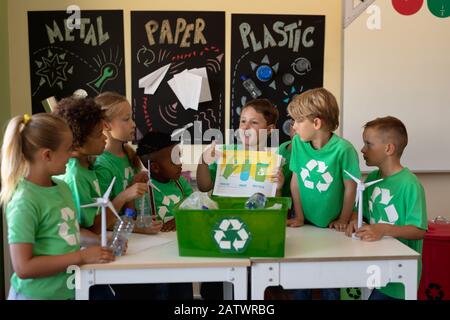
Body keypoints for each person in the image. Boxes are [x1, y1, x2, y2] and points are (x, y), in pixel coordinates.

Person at [1, 113, 114, 300]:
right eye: (68, 149)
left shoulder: (62, 188)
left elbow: (68, 232)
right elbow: (23, 267)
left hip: (67, 293)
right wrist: (81, 257)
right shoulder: (24, 202)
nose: (72, 155)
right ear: (47, 155)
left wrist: (100, 242)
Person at [287, 88, 360, 300]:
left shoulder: (344, 150)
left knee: (331, 283)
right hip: (307, 225)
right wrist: (299, 216)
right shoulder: (298, 144)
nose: (294, 126)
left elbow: (350, 187)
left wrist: (343, 219)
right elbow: (296, 181)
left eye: (298, 121)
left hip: (333, 228)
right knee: (301, 281)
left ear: (316, 123)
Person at [345, 116, 427, 300]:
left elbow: (418, 230)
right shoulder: (373, 177)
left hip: (399, 274)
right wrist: (352, 220)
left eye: (368, 144)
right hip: (375, 267)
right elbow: (360, 212)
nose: (362, 149)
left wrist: (384, 229)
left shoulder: (410, 184)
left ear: (388, 148)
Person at [136, 131, 194, 299]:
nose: (180, 164)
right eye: (175, 160)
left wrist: (179, 219)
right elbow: (141, 220)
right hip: (155, 255)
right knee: (161, 291)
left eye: (180, 157)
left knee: (183, 291)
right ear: (155, 167)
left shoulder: (180, 182)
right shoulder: (144, 188)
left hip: (180, 250)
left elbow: (195, 206)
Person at [93, 92, 161, 234]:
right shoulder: (101, 164)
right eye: (126, 119)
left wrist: (133, 186)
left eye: (132, 118)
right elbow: (102, 221)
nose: (133, 124)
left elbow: (130, 212)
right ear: (106, 125)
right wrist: (138, 228)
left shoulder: (128, 156)